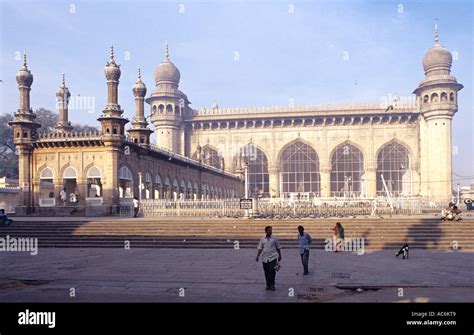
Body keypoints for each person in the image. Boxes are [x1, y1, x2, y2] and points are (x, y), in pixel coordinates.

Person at [256, 226, 282, 291]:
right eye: (269, 230)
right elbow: (260, 248)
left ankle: (272, 284)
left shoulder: (274, 238)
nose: (271, 231)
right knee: (266, 272)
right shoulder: (262, 239)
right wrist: (257, 256)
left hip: (273, 257)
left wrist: (280, 255)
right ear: (266, 231)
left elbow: (278, 247)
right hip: (265, 258)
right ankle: (268, 284)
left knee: (272, 271)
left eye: (271, 230)